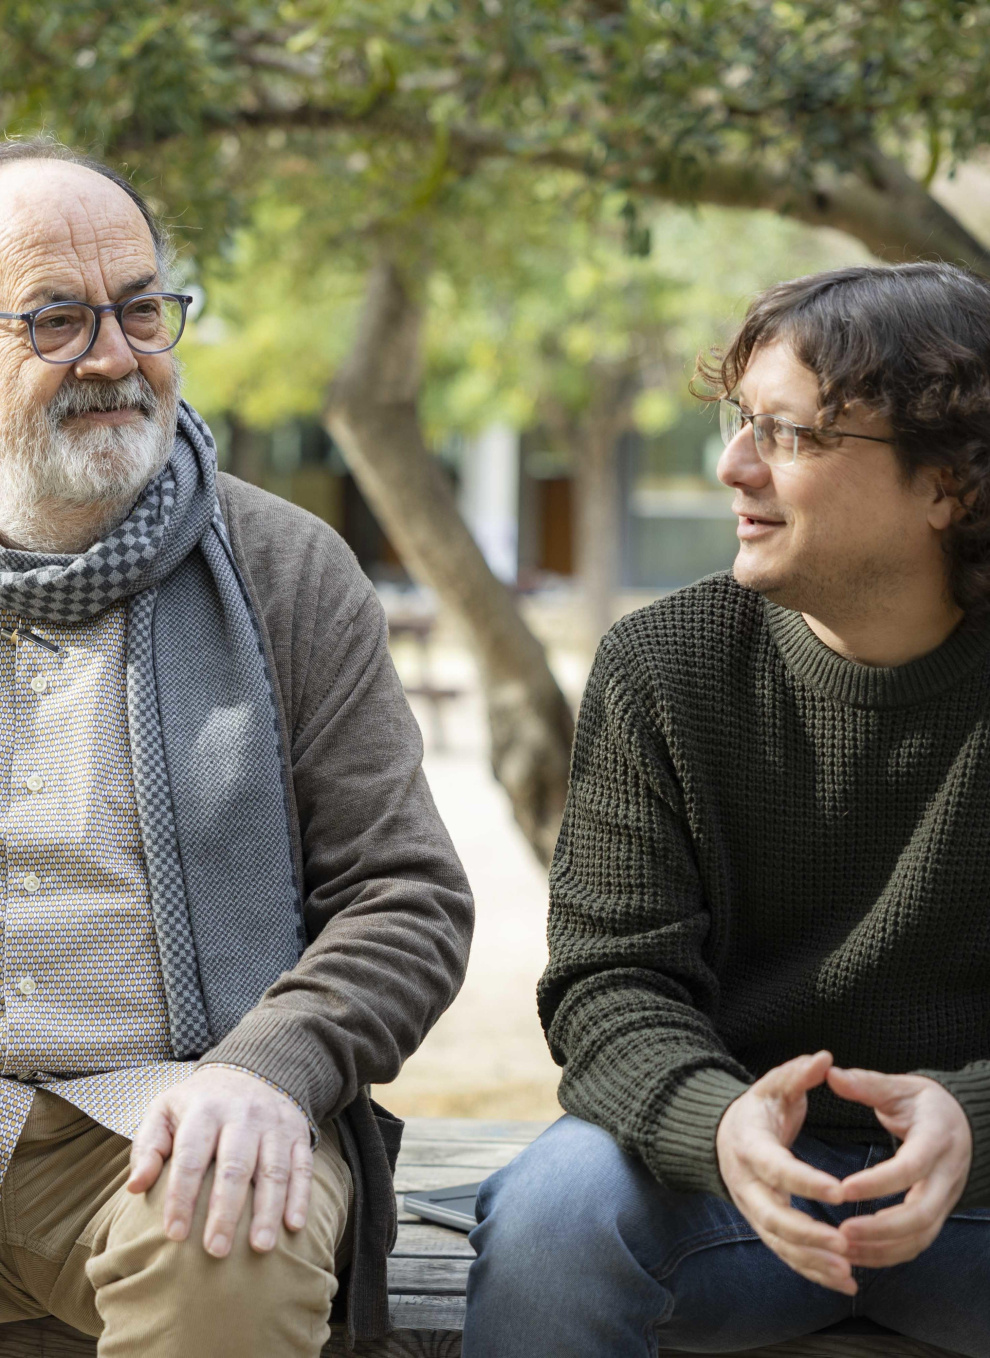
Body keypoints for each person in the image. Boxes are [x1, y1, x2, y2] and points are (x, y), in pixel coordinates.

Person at [463, 262, 990, 1358]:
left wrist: (974, 1121)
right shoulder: (663, 666)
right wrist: (716, 1122)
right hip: (723, 1187)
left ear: (948, 484)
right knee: (554, 1219)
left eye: (789, 435)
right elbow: (610, 983)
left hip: (978, 1196)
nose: (733, 464)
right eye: (739, 420)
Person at [0, 138, 474, 1357]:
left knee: (233, 1238)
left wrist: (270, 1066)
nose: (116, 356)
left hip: (175, 1115)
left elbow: (405, 895)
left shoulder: (286, 568)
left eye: (140, 308)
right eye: (56, 320)